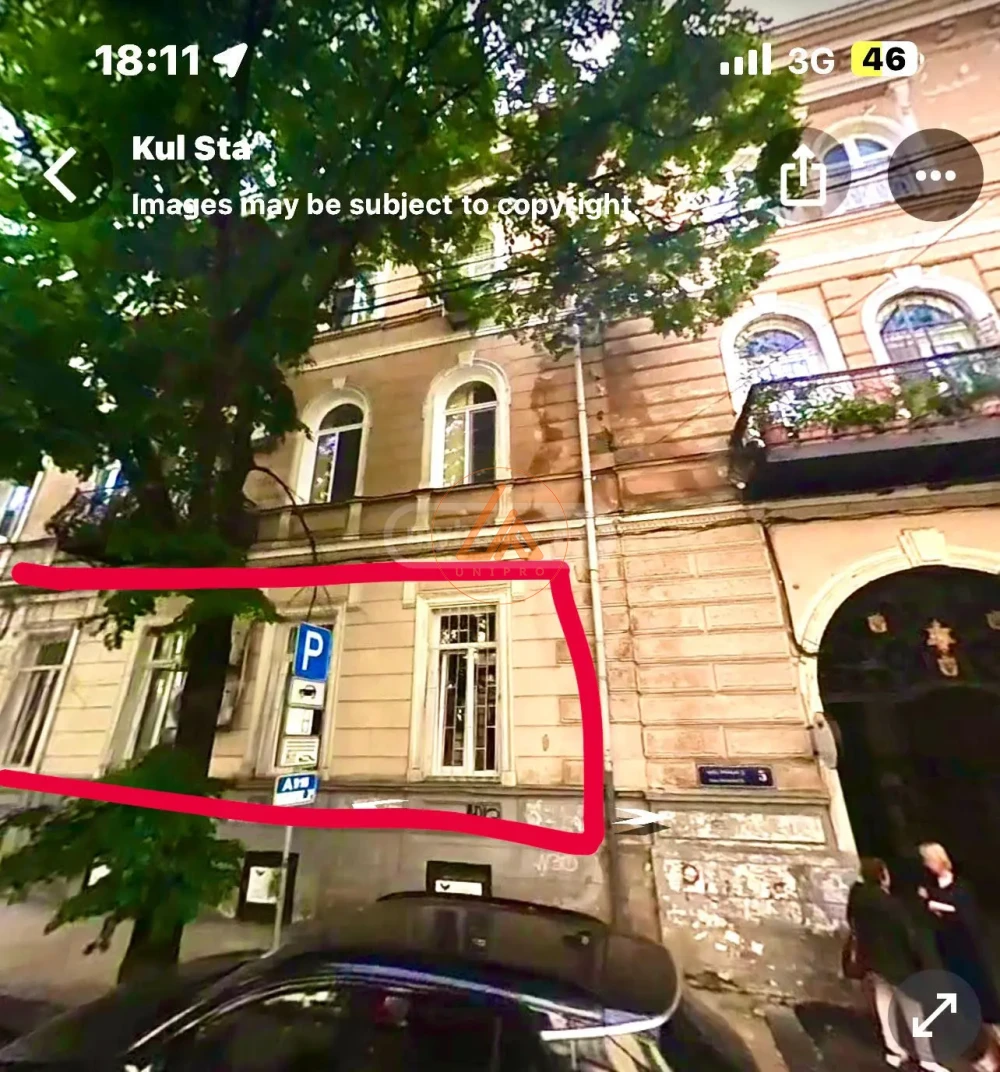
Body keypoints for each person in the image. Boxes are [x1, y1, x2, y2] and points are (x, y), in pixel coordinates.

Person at [847, 856, 947, 1071]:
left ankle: (894, 1050)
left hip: (873, 960)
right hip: (898, 965)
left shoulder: (857, 898)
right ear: (882, 876)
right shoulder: (890, 905)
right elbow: (909, 937)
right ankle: (926, 1057)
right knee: (914, 1010)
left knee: (884, 1004)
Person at [918, 843, 1000, 1069]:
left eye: (928, 861)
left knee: (986, 1006)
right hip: (951, 955)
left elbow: (968, 919)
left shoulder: (961, 888)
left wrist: (938, 906)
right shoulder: (932, 887)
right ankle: (990, 1057)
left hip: (970, 954)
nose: (926, 865)